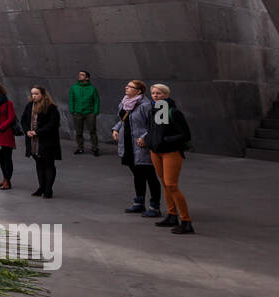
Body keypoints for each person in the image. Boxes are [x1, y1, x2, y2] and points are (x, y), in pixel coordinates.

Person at [145, 83, 194, 234]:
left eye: (159, 93)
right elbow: (153, 130)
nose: (155, 95)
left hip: (171, 153)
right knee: (165, 184)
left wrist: (166, 140)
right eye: (153, 93)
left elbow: (186, 135)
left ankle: (186, 221)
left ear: (166, 95)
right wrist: (149, 141)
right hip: (156, 152)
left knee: (171, 185)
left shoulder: (173, 112)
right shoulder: (154, 110)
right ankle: (172, 215)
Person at [111, 79, 162, 217]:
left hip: (141, 146)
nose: (126, 88)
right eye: (126, 86)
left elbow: (154, 126)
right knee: (137, 174)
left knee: (149, 175)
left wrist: (145, 137)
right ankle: (139, 203)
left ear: (138, 91)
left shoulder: (146, 105)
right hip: (127, 144)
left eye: (130, 87)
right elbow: (123, 120)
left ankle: (154, 206)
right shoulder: (124, 103)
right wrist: (115, 129)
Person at [21, 85, 61, 197]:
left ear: (42, 94)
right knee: (39, 164)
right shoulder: (29, 105)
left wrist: (38, 132)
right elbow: (23, 120)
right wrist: (27, 131)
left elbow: (53, 124)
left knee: (48, 164)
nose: (33, 96)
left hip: (47, 141)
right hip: (33, 141)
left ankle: (48, 189)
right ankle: (41, 187)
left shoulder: (51, 107)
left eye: (36, 93)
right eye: (32, 93)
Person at [68, 70, 101, 156]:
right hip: (77, 112)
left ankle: (95, 148)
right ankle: (80, 148)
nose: (79, 76)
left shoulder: (92, 88)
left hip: (90, 113)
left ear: (87, 78)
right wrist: (72, 110)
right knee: (79, 132)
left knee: (92, 131)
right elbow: (71, 99)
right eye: (79, 74)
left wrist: (95, 112)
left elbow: (96, 100)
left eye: (82, 75)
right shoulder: (74, 88)